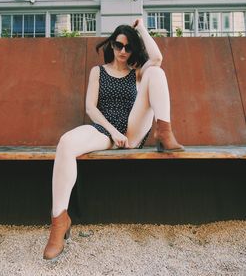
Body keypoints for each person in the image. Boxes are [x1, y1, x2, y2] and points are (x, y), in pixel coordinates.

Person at [43, 19, 184, 260]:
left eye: (129, 48)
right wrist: (112, 132)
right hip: (105, 130)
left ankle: (164, 131)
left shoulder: (137, 73)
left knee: (156, 71)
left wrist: (141, 29)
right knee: (66, 143)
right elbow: (90, 107)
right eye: (119, 46)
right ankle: (59, 222)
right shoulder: (97, 72)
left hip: (132, 129)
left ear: (134, 50)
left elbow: (157, 58)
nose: (123, 51)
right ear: (112, 45)